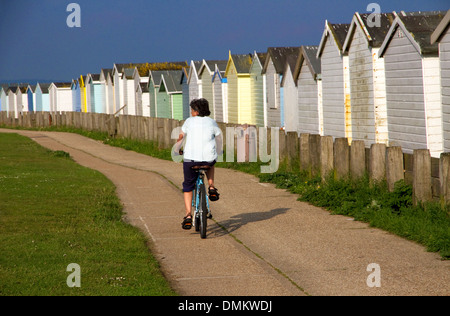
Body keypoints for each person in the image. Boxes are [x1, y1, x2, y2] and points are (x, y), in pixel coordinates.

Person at [175, 98, 222, 230]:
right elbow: (218, 138)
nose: (191, 112)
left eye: (192, 110)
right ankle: (211, 186)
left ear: (196, 111)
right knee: (211, 162)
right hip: (208, 159)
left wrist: (177, 149)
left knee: (188, 186)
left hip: (191, 160)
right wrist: (218, 149)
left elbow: (181, 137)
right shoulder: (212, 122)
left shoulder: (189, 122)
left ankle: (188, 215)